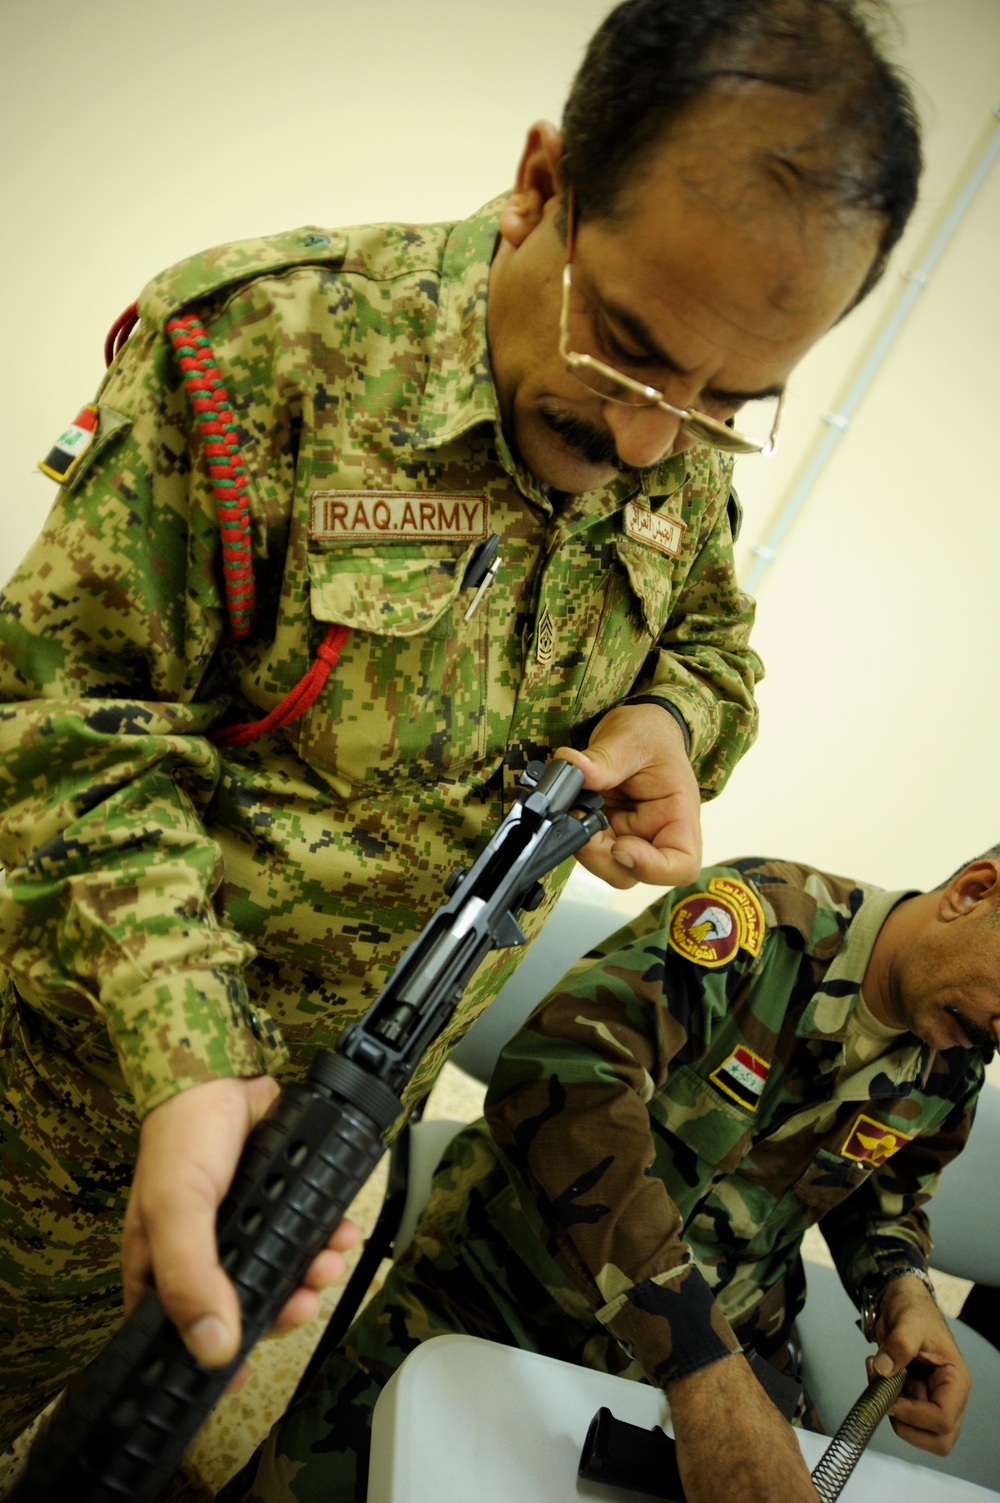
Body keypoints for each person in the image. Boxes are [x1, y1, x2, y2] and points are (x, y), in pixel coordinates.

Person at [0, 0, 921, 1453]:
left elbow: (711, 643)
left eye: (729, 402)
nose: (647, 439)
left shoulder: (673, 437)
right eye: (624, 353)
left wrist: (676, 721)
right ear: (544, 182)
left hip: (343, 1112)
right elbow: (69, 721)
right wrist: (185, 1050)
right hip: (62, 1095)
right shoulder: (263, 351)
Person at [223, 847, 997, 1503]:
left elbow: (887, 1196)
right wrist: (699, 1363)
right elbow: (562, 1085)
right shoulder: (756, 925)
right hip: (513, 1291)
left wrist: (901, 1288)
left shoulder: (955, 1052)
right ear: (972, 892)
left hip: (723, 1339)